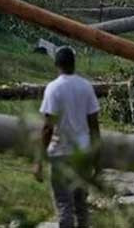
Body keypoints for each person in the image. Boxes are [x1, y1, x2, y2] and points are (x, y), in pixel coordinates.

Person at [34, 47, 101, 228]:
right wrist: (96, 157)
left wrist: (39, 161)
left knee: (64, 204)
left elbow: (48, 127)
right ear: (74, 64)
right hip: (82, 152)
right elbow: (94, 125)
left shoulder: (53, 89)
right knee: (81, 204)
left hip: (60, 153)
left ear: (56, 65)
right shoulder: (85, 87)